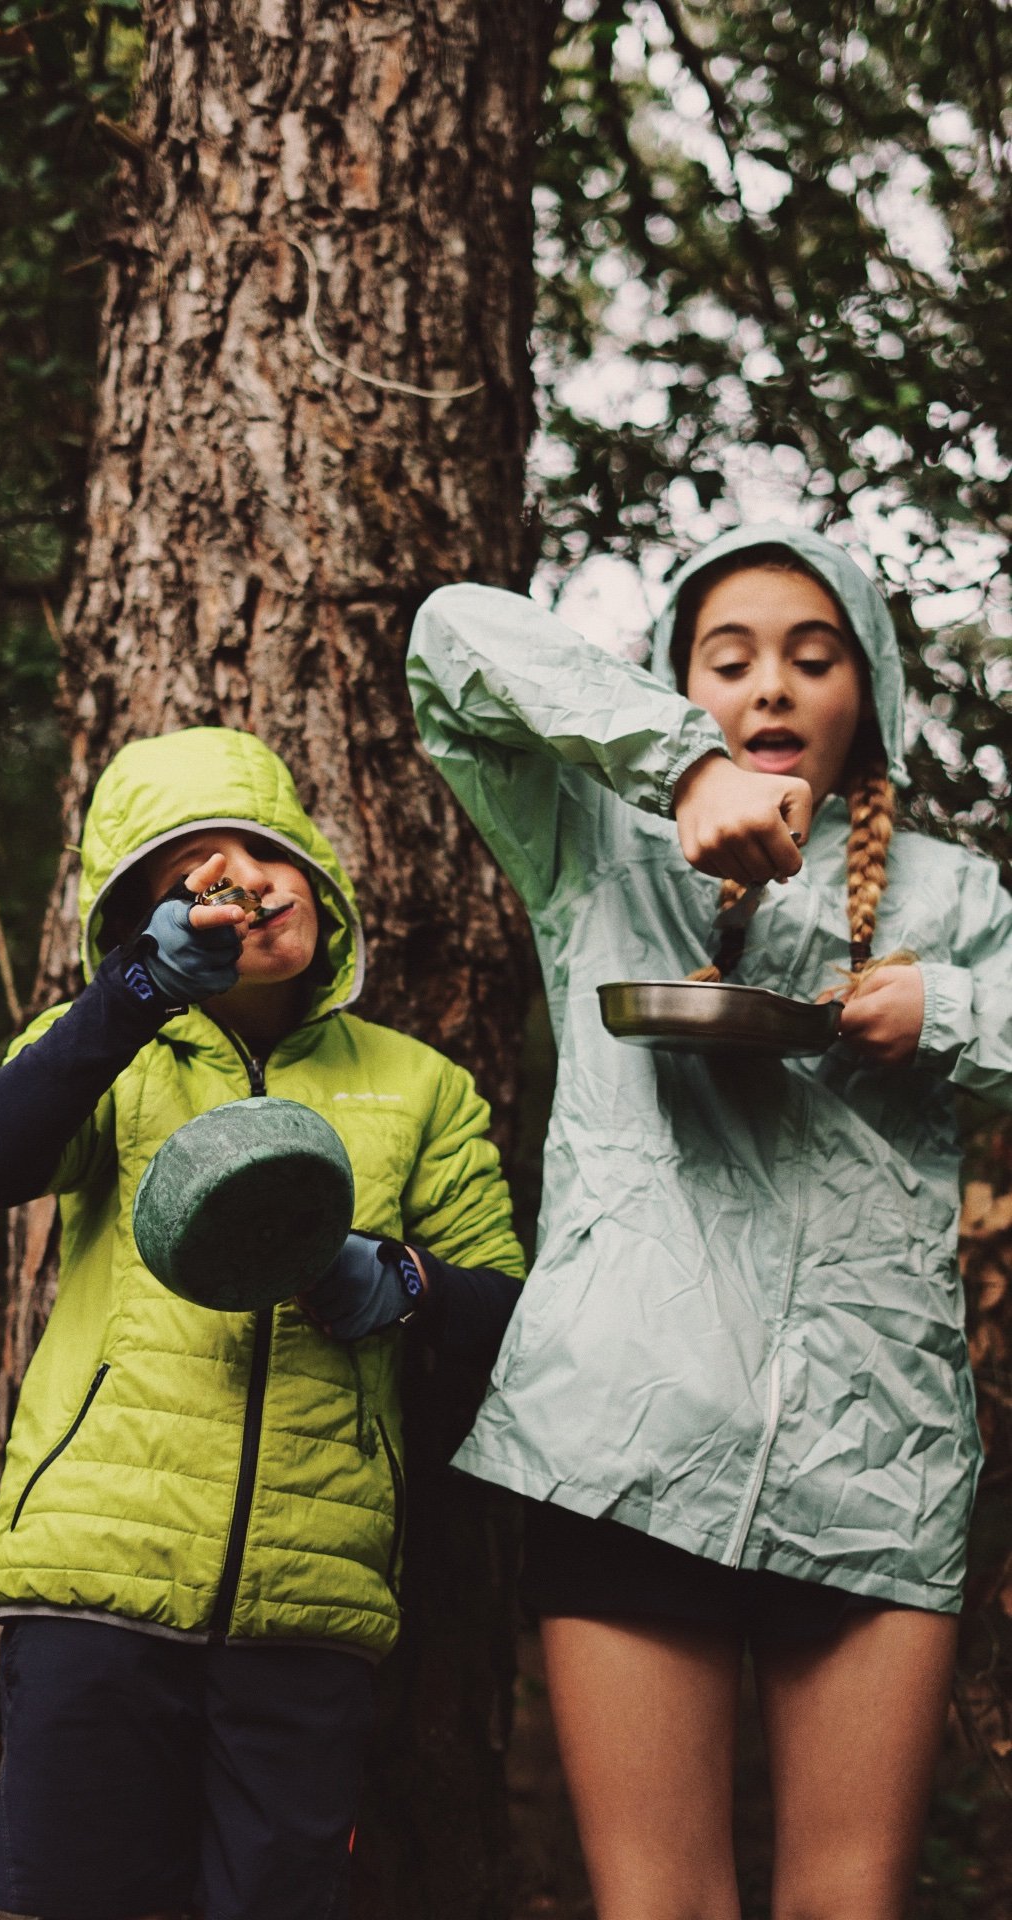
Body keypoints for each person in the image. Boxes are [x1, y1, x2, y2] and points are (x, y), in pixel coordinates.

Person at [406, 523, 1012, 1920]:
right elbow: (451, 639)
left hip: (879, 1458)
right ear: (684, 683)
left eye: (814, 657)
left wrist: (952, 1011)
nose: (774, 689)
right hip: (626, 1433)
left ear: (873, 689)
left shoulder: (952, 898)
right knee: (659, 1903)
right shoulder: (593, 849)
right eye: (728, 661)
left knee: (845, 1906)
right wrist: (681, 768)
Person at [0, 724, 524, 1920]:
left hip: (311, 1605)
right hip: (93, 1576)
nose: (235, 882)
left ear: (311, 866)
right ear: (148, 924)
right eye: (187, 876)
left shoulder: (421, 1085)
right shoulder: (113, 1052)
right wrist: (134, 1000)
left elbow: (507, 1310)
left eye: (257, 849)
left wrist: (404, 1281)